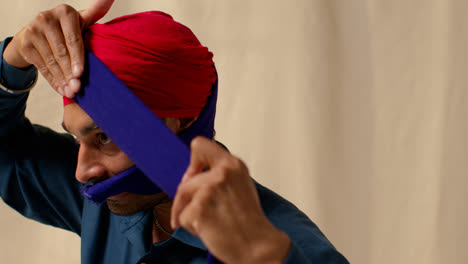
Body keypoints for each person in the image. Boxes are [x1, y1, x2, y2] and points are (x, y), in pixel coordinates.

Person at [0, 1, 349, 263]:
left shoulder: (282, 242)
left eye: (105, 137)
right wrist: (11, 64)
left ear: (181, 119)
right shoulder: (106, 199)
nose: (82, 170)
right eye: (78, 139)